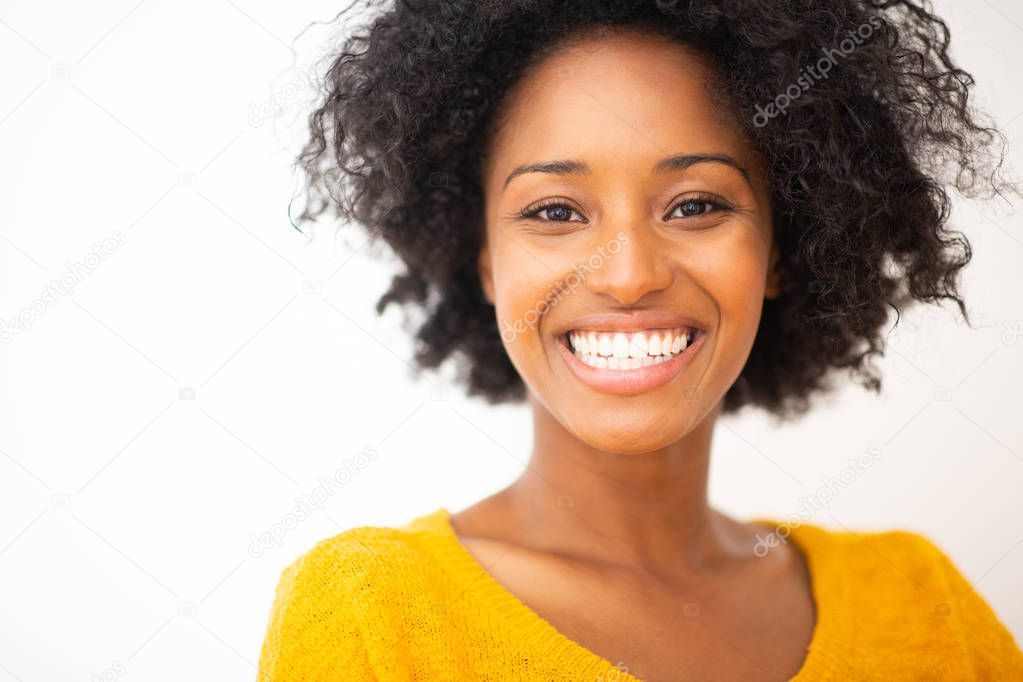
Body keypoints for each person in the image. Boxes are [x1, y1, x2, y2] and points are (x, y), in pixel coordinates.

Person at [257, 1, 1023, 679]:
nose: (626, 275)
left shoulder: (925, 609)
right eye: (554, 212)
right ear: (484, 259)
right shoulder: (372, 615)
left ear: (780, 252)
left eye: (694, 205)